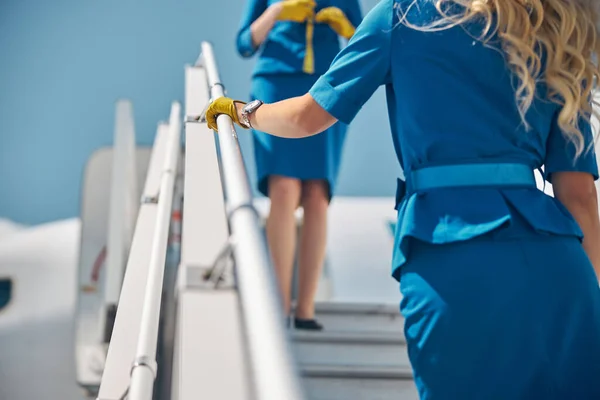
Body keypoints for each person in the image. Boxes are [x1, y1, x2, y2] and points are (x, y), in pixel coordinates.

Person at [208, 0, 600, 397]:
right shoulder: (550, 27)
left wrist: (243, 113)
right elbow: (580, 196)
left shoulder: (402, 15)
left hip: (448, 255)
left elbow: (307, 117)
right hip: (559, 274)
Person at [234, 0, 363, 330]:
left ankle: (305, 308)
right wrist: (277, 12)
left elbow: (363, 42)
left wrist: (344, 28)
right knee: (284, 187)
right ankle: (277, 304)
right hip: (275, 84)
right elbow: (244, 44)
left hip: (325, 90)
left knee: (318, 196)